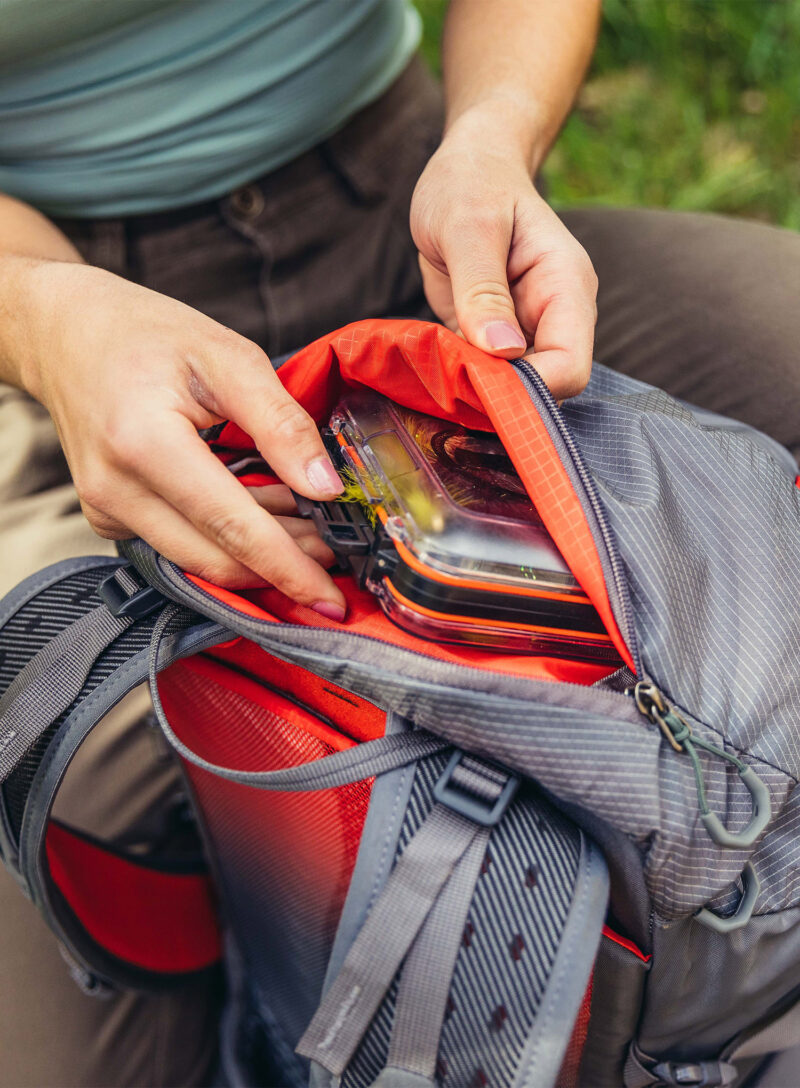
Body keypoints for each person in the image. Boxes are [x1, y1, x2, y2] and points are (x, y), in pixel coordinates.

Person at [0, 0, 798, 1084]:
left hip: (416, 215)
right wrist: (47, 322)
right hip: (46, 322)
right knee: (79, 848)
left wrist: (493, 133)